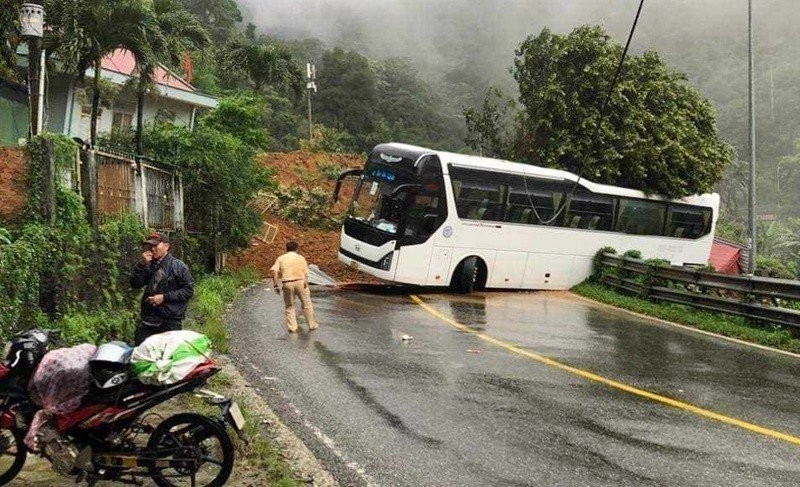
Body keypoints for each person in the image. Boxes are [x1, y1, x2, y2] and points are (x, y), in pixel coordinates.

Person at [130, 231, 195, 345]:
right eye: (150, 246)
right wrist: (141, 264)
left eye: (155, 245)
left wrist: (164, 298)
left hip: (170, 321)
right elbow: (135, 284)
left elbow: (188, 291)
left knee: (168, 357)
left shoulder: (179, 266)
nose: (152, 249)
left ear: (167, 246)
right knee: (142, 352)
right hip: (149, 319)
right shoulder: (148, 264)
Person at [271, 241, 320, 333]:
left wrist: (276, 285)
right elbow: (306, 273)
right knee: (307, 305)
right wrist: (306, 283)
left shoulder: (281, 258)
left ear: (286, 249)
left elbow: (275, 272)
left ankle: (292, 328)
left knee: (289, 306)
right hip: (300, 282)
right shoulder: (300, 258)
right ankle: (312, 325)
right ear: (297, 249)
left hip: (287, 283)